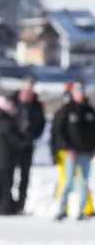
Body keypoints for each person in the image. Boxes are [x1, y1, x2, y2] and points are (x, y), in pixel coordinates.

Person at [53, 80, 95, 221]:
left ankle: (81, 212)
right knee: (68, 181)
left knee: (83, 182)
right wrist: (67, 148)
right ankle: (61, 210)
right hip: (71, 152)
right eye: (77, 90)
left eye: (82, 89)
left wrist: (92, 149)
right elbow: (60, 131)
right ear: (73, 92)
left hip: (85, 152)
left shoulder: (90, 110)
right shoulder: (66, 109)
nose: (80, 93)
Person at [10, 79, 45, 212]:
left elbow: (41, 124)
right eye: (25, 90)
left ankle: (21, 203)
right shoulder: (13, 103)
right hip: (13, 144)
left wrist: (33, 136)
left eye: (30, 91)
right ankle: (8, 201)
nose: (27, 93)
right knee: (9, 174)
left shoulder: (37, 106)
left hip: (28, 143)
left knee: (25, 175)